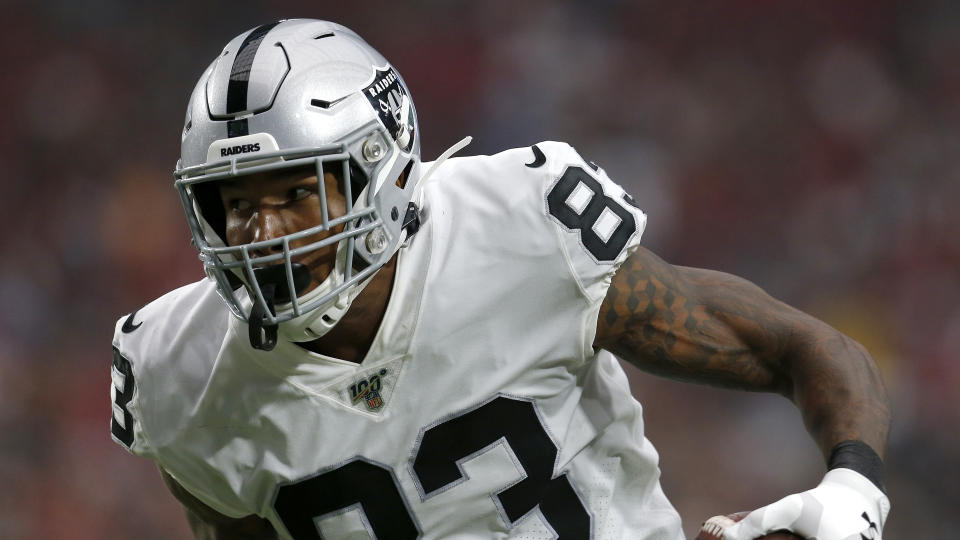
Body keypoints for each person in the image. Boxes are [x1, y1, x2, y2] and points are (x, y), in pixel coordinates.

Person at [110, 19, 890, 540]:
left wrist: (852, 492)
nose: (262, 233)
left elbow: (799, 348)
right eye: (233, 205)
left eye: (293, 194)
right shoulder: (176, 372)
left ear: (380, 170)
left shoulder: (520, 223)